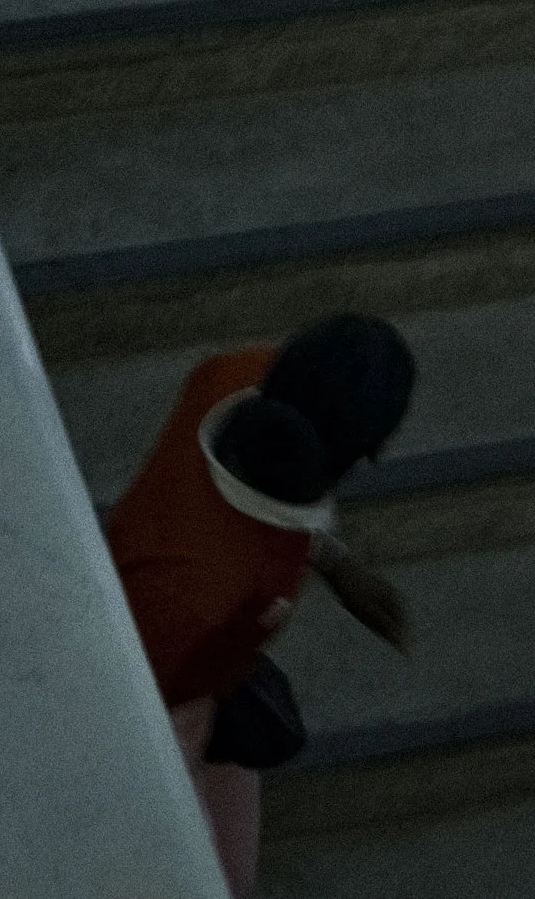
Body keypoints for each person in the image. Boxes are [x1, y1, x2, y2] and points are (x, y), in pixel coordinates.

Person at [105, 315, 416, 898]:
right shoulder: (212, 591)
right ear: (356, 458)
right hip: (162, 689)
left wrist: (333, 561)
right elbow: (141, 689)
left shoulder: (228, 374)